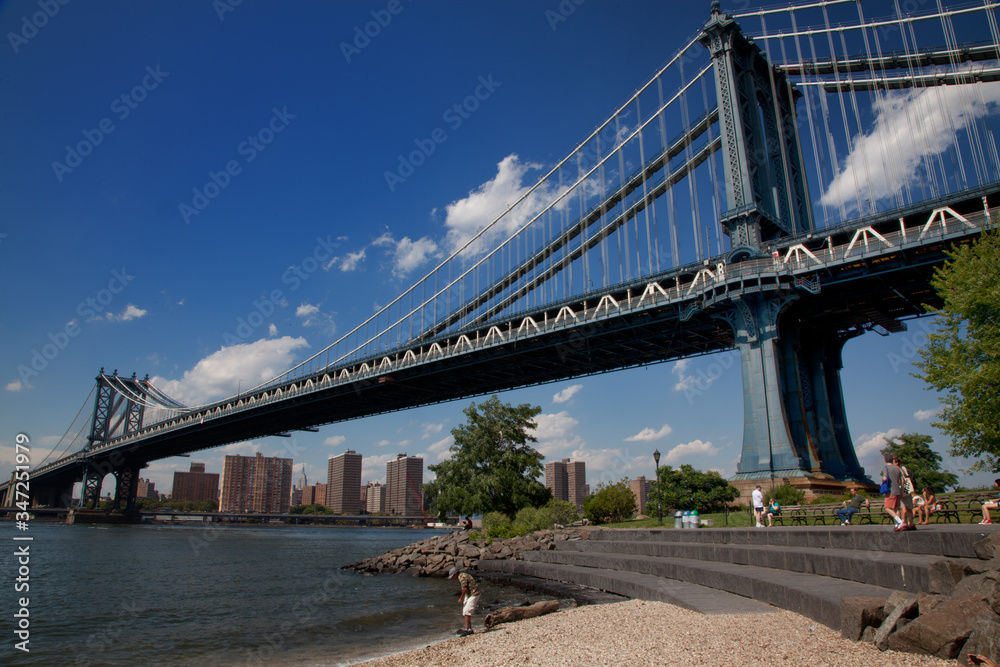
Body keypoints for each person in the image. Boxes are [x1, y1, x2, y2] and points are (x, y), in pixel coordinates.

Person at [879, 454, 909, 531]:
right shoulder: (897, 468)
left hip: (890, 491)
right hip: (898, 491)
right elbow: (901, 480)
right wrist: (902, 491)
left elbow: (885, 478)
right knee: (896, 508)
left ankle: (900, 522)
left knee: (887, 508)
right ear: (892, 460)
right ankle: (897, 525)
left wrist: (883, 480)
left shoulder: (886, 468)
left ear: (885, 460)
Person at [448, 566, 479, 636]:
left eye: (452, 576)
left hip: (474, 594)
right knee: (465, 611)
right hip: (470, 594)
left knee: (467, 611)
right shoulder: (462, 575)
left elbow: (464, 589)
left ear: (455, 574)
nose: (452, 578)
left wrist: (461, 598)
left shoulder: (462, 577)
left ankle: (468, 630)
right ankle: (469, 629)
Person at [893, 455, 916, 530]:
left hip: (903, 490)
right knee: (906, 507)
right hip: (904, 490)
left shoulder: (900, 469)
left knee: (904, 507)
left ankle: (905, 522)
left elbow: (903, 478)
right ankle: (910, 523)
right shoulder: (901, 468)